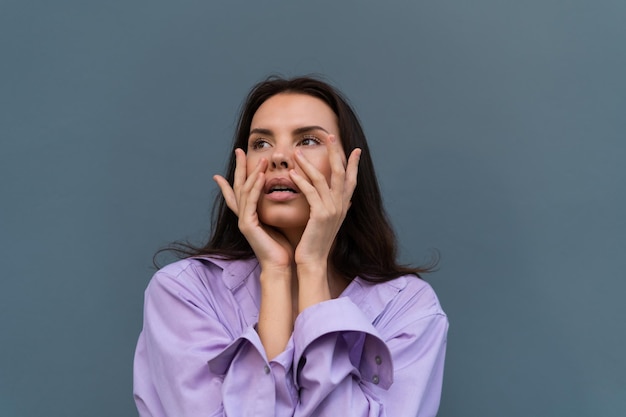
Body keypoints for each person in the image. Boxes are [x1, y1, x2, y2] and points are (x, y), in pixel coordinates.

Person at [133, 76, 448, 417]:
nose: (279, 157)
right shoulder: (184, 291)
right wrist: (276, 272)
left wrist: (312, 266)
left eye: (308, 140)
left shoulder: (409, 308)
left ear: (349, 169)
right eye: (261, 144)